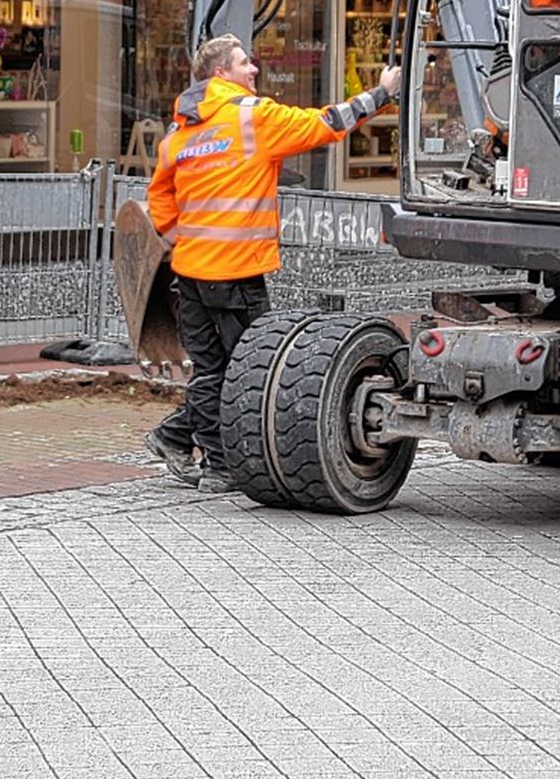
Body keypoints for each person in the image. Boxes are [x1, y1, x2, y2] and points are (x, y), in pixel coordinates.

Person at [144, 33, 401, 492]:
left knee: (214, 369)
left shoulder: (180, 132)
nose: (254, 70)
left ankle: (175, 438)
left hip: (192, 272)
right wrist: (381, 93)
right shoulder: (251, 117)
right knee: (249, 371)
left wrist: (180, 237)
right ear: (221, 73)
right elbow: (325, 123)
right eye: (245, 63)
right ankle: (218, 465)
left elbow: (159, 196)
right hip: (236, 271)